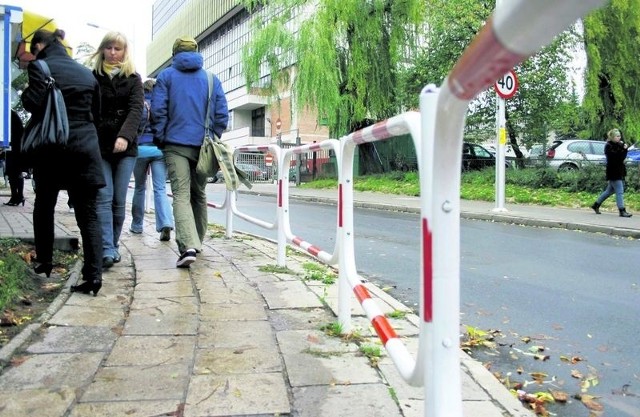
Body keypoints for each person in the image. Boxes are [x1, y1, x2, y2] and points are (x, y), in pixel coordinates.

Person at [21, 29, 105, 295]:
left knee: (44, 205)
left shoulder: (41, 66)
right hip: (85, 148)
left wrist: (25, 93)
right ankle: (93, 276)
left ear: (38, 47)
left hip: (54, 148)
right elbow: (96, 113)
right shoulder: (85, 72)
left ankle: (45, 262)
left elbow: (33, 104)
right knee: (88, 215)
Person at [151, 36, 228, 267]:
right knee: (199, 194)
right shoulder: (211, 79)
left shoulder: (166, 77)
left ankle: (188, 247)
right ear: (196, 51)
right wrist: (212, 136)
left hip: (175, 145)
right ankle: (198, 243)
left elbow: (158, 111)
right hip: (204, 146)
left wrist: (162, 137)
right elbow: (222, 114)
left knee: (181, 194)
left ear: (174, 54)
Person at [91, 31, 144, 269]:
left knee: (118, 201)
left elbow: (136, 110)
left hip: (126, 148)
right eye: (109, 48)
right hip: (100, 146)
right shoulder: (93, 77)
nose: (113, 53)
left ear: (125, 52)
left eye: (118, 49)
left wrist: (124, 136)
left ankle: (112, 244)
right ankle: (106, 249)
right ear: (102, 49)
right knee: (104, 198)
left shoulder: (133, 78)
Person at [130, 79, 174, 240]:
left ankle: (136, 225)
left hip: (140, 150)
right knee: (160, 188)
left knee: (139, 188)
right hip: (159, 151)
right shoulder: (164, 105)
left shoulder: (139, 104)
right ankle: (165, 223)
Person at [591, 128, 632, 218]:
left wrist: (624, 149)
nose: (619, 137)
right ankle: (622, 210)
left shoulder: (619, 145)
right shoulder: (608, 146)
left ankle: (596, 205)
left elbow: (622, 157)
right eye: (617, 136)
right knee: (619, 191)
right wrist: (623, 150)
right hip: (613, 171)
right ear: (612, 137)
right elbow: (616, 158)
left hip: (619, 170)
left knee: (609, 191)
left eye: (619, 136)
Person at [3, 110, 26, 206]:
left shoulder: (10, 115)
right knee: (13, 173)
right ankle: (16, 196)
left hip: (15, 149)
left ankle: (18, 196)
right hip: (13, 148)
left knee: (15, 173)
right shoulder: (11, 115)